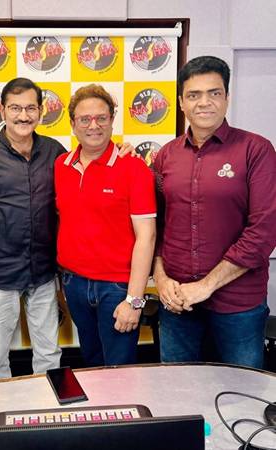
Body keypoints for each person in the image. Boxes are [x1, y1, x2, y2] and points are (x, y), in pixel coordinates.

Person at [153, 56, 276, 369]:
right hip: (177, 301)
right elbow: (158, 227)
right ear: (181, 102)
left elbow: (264, 231)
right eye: (194, 95)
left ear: (227, 98)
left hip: (237, 305)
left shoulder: (256, 150)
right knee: (177, 388)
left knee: (242, 390)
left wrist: (205, 286)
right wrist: (161, 278)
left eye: (214, 93)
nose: (204, 102)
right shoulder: (166, 156)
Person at [0, 78, 64, 380]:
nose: (23, 116)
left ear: (41, 111)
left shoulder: (55, 151)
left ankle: (48, 408)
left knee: (49, 355)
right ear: (2, 110)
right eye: (15, 108)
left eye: (30, 108)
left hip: (44, 273)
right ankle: (0, 410)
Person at [54, 84, 157, 367]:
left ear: (112, 120)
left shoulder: (133, 168)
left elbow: (147, 237)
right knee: (91, 364)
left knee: (119, 370)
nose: (93, 125)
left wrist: (134, 300)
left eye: (101, 118)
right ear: (73, 124)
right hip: (74, 283)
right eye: (85, 119)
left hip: (117, 288)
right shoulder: (61, 165)